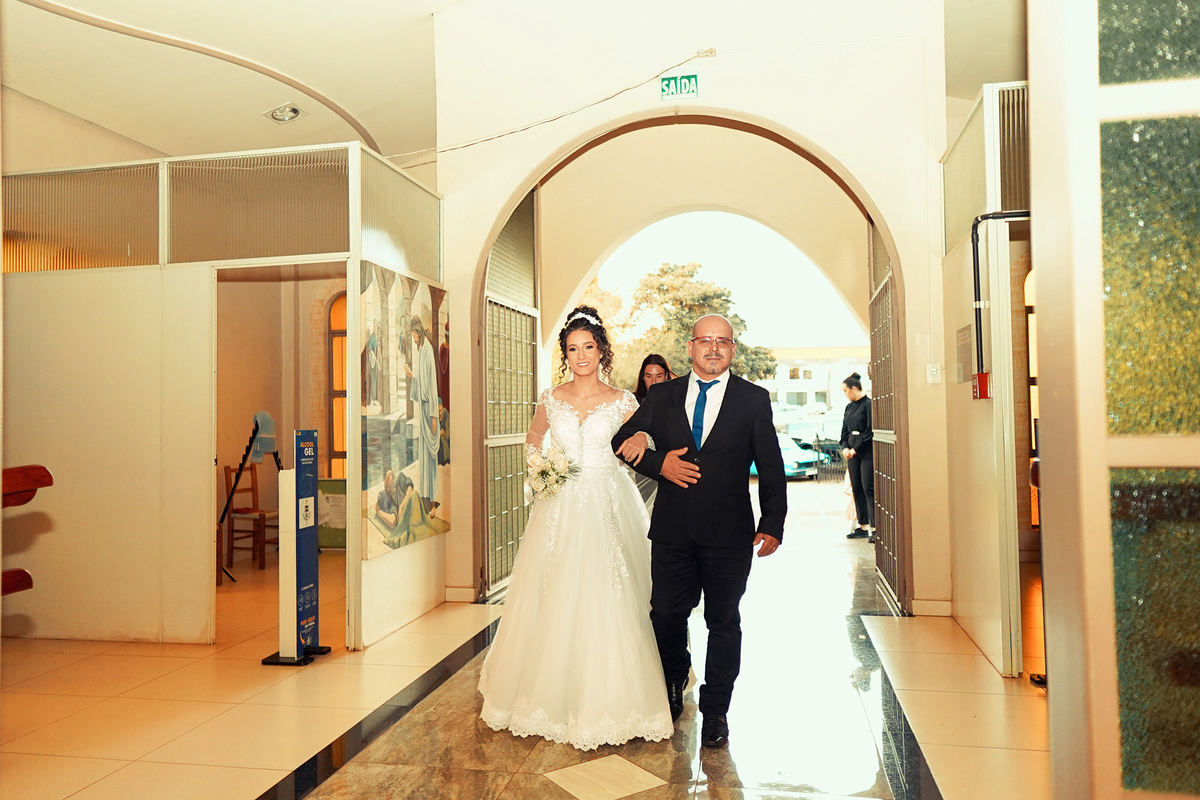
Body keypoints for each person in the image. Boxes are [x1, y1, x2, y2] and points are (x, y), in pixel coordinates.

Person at [478, 305, 674, 751]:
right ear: (565, 354)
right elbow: (533, 437)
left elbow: (646, 436)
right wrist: (540, 466)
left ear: (601, 351)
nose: (581, 355)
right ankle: (548, 695)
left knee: (610, 592)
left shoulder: (623, 401)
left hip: (608, 501)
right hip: (560, 505)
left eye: (588, 347)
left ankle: (614, 699)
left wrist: (641, 437)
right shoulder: (551, 398)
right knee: (554, 591)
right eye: (572, 348)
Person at [611, 314, 787, 749]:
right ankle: (674, 681)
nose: (713, 348)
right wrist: (659, 463)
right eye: (705, 340)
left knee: (723, 622)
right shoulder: (663, 395)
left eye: (722, 341)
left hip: (730, 533)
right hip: (672, 529)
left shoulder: (753, 399)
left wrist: (772, 522)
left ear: (732, 349)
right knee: (665, 614)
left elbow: (771, 466)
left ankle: (716, 711)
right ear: (690, 347)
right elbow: (621, 440)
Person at [405, 316, 440, 513]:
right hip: (426, 409)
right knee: (425, 456)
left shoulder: (427, 350)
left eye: (414, 335)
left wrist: (434, 415)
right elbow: (424, 384)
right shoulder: (422, 349)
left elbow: (431, 386)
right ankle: (426, 495)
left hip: (429, 411)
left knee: (430, 457)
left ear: (418, 332)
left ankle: (431, 499)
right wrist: (413, 377)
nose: (413, 339)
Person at [840, 372, 874, 541]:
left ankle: (875, 528)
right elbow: (844, 431)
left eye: (845, 391)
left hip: (865, 452)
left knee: (868, 487)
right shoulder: (849, 407)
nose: (845, 394)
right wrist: (845, 447)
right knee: (857, 487)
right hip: (852, 452)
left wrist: (855, 449)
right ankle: (863, 525)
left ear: (854, 389)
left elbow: (870, 431)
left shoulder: (868, 405)